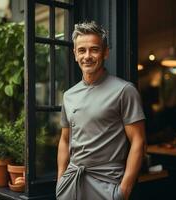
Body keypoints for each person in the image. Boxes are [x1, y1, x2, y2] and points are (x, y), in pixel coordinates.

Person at [56, 21, 146, 200]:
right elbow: (65, 140)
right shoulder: (69, 95)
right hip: (71, 185)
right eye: (82, 50)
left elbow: (139, 141)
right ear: (75, 54)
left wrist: (123, 192)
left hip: (107, 187)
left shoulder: (124, 91)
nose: (87, 56)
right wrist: (61, 179)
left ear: (105, 52)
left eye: (94, 49)